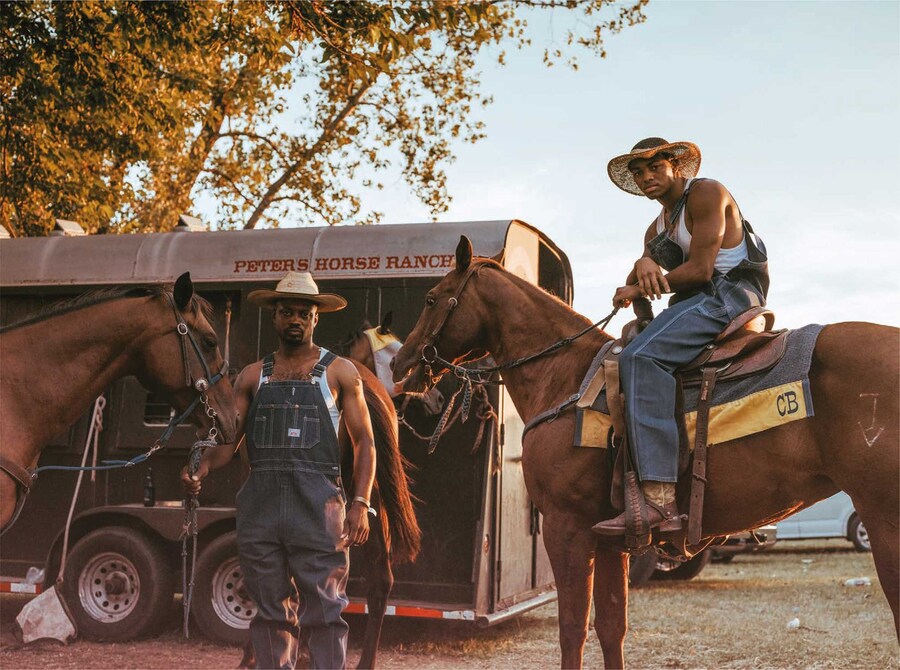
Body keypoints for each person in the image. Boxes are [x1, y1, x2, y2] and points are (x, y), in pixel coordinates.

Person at [182, 271, 376, 669]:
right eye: (287, 311)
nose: (295, 319)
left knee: (325, 613)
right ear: (274, 316)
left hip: (320, 511)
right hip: (261, 513)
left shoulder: (341, 373)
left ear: (315, 318)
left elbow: (365, 444)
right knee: (270, 615)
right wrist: (201, 467)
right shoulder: (253, 376)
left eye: (303, 312)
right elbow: (228, 443)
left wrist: (360, 502)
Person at [592, 138, 769, 536]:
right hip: (691, 301)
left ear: (675, 166)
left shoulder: (706, 193)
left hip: (729, 293)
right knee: (628, 348)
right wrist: (641, 264)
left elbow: (703, 269)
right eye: (638, 173)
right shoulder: (657, 228)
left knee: (639, 358)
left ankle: (659, 498)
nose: (645, 177)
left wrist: (639, 288)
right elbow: (644, 275)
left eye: (654, 167)